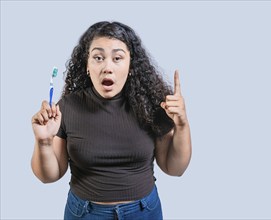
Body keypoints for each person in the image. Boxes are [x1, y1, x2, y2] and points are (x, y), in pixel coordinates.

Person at [31, 21, 192, 220]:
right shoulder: (67, 107)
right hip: (85, 214)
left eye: (117, 58)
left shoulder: (152, 105)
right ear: (87, 66)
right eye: (98, 58)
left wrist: (182, 125)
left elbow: (174, 169)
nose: (107, 67)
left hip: (143, 212)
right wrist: (43, 142)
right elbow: (49, 176)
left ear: (131, 66)